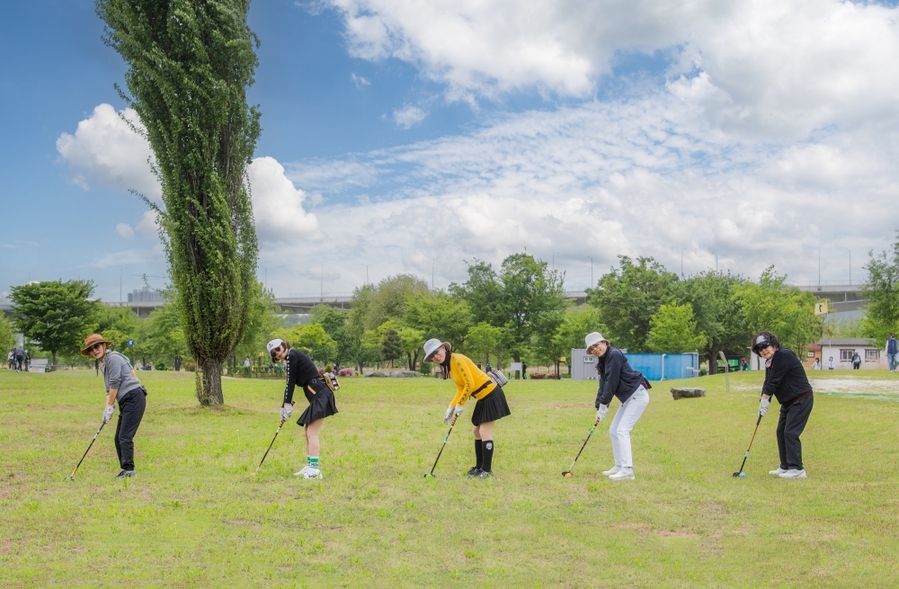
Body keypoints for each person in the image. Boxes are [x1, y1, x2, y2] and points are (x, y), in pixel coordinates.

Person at [422, 338, 511, 478]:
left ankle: (486, 470)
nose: (436, 356)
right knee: (476, 432)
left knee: (484, 431)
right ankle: (479, 467)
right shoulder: (450, 366)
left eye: (436, 352)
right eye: (432, 356)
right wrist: (451, 407)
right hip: (483, 398)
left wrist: (460, 405)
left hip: (491, 395)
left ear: (444, 348)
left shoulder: (457, 359)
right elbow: (461, 387)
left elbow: (469, 384)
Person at [267, 338, 338, 479]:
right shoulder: (291, 357)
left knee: (312, 432)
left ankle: (314, 471)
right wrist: (284, 406)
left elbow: (290, 382)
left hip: (321, 394)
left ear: (284, 345)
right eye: (274, 354)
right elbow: (291, 381)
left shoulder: (292, 355)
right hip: (317, 395)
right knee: (308, 431)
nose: (278, 354)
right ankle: (310, 466)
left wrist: (286, 405)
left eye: (278, 350)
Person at [81, 333, 147, 479]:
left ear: (104, 345)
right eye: (91, 349)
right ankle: (125, 469)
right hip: (125, 400)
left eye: (97, 346)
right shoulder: (105, 363)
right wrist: (107, 410)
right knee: (118, 437)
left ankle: (129, 471)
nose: (94, 351)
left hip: (134, 397)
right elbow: (108, 389)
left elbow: (115, 383)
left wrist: (110, 406)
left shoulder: (113, 358)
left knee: (125, 436)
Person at [585, 332, 650, 481]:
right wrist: (599, 407)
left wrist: (604, 404)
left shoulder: (614, 354)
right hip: (628, 399)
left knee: (622, 430)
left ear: (604, 342)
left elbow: (612, 382)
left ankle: (628, 470)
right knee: (613, 430)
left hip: (637, 396)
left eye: (597, 345)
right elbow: (603, 384)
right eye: (592, 348)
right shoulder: (603, 360)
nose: (595, 349)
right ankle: (619, 465)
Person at [753, 332, 813, 479]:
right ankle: (785, 466)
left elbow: (774, 382)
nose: (763, 350)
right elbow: (768, 382)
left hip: (801, 398)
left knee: (790, 432)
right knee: (781, 432)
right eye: (760, 349)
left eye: (765, 346)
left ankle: (797, 469)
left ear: (773, 344)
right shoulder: (770, 362)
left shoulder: (783, 355)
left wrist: (766, 399)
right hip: (788, 402)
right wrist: (763, 401)